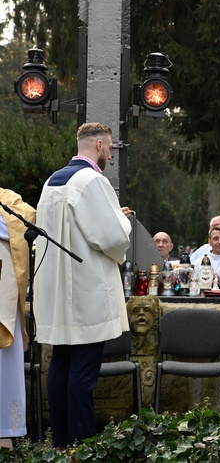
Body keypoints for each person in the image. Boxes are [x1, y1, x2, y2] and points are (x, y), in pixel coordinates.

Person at [34, 122, 132, 448]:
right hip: (87, 294)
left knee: (60, 367)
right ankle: (83, 447)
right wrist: (122, 220)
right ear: (101, 146)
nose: (111, 157)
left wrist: (112, 215)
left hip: (59, 293)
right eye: (111, 150)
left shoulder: (52, 181)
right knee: (83, 375)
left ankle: (60, 444)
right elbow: (113, 237)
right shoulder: (93, 180)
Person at [0, 188, 35, 448]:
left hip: (4, 295)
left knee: (6, 365)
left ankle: (5, 436)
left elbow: (28, 217)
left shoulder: (6, 198)